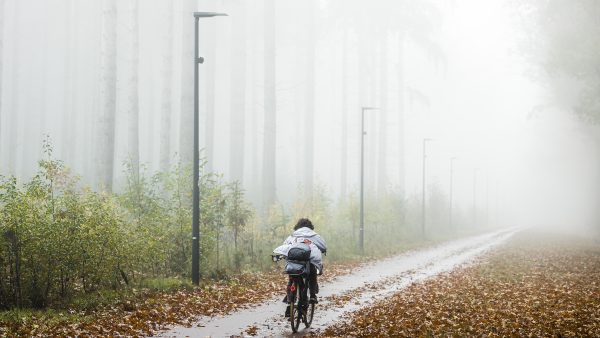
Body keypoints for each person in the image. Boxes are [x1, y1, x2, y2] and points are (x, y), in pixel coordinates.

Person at [280, 218, 327, 304]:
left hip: (293, 261)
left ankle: (289, 299)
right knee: (312, 273)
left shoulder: (293, 235)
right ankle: (312, 296)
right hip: (309, 261)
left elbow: (284, 247)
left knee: (292, 276)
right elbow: (323, 247)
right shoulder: (314, 235)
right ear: (310, 227)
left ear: (297, 227)